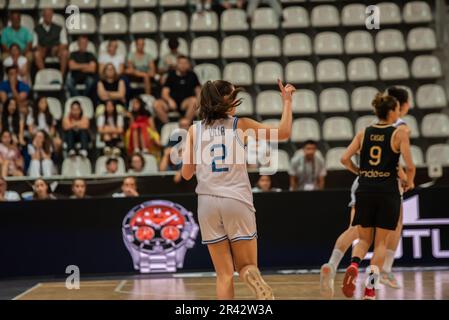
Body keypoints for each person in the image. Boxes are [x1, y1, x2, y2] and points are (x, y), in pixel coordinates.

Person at [181, 79, 295, 300]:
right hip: (236, 199)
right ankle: (255, 281)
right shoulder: (240, 124)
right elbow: (283, 133)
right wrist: (287, 101)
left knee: (224, 274)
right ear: (226, 101)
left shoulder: (194, 130)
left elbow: (186, 174)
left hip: (207, 204)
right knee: (247, 265)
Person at [319, 87, 413, 299]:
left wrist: (360, 172)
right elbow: (399, 164)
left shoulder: (364, 131)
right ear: (395, 109)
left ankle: (340, 265)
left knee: (359, 235)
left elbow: (344, 158)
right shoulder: (399, 131)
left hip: (363, 184)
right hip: (387, 187)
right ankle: (372, 285)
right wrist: (409, 179)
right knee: (382, 241)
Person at [153, 56, 201, 124]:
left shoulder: (192, 75)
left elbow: (198, 92)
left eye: (185, 63)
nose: (183, 65)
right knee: (156, 104)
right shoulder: (171, 75)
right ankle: (168, 125)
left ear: (188, 64)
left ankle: (185, 124)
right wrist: (169, 100)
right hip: (172, 103)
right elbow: (164, 93)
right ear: (177, 64)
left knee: (194, 101)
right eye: (181, 63)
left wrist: (199, 102)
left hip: (185, 102)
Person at [33, 8, 69, 76]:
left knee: (65, 53)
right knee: (36, 54)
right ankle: (44, 75)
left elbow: (64, 43)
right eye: (46, 15)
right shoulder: (37, 29)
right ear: (43, 16)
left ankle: (61, 76)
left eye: (50, 15)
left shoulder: (59, 28)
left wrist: (58, 48)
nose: (48, 17)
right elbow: (35, 45)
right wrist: (41, 49)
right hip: (43, 50)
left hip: (56, 51)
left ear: (52, 16)